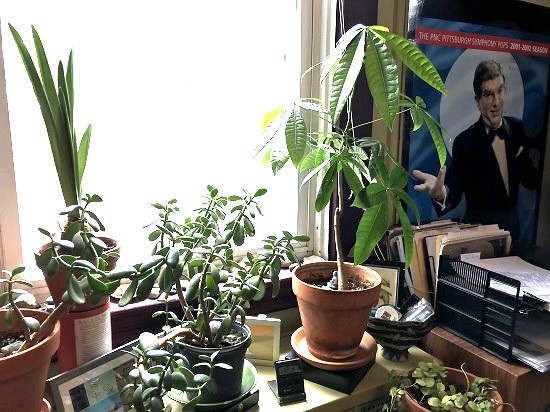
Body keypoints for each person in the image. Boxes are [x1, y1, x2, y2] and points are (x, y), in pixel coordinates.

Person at [412, 60, 540, 242]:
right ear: (478, 101)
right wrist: (441, 194)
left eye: (500, 91)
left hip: (514, 239)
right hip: (479, 244)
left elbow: (530, 181)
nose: (496, 102)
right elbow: (453, 193)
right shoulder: (465, 142)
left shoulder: (517, 128)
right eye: (488, 94)